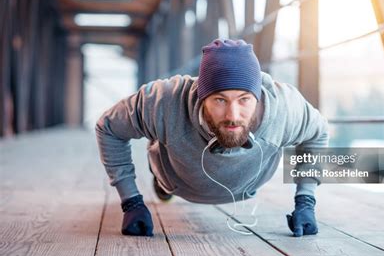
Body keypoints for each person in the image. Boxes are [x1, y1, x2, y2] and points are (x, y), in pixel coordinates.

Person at [95, 39, 329, 238]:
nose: (232, 115)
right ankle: (161, 179)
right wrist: (131, 201)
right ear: (201, 96)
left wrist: (306, 200)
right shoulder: (163, 101)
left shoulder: (285, 108)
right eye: (219, 100)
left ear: (257, 96)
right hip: (175, 178)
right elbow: (108, 128)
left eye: (244, 99)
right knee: (162, 144)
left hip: (246, 186)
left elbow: (318, 134)